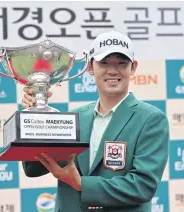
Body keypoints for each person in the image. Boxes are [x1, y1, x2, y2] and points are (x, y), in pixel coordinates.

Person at [21, 31, 169, 212]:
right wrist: (36, 116)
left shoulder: (151, 119)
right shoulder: (72, 118)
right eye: (104, 62)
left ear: (133, 67)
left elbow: (142, 186)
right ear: (90, 67)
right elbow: (33, 168)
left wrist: (81, 183)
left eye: (121, 63)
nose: (113, 70)